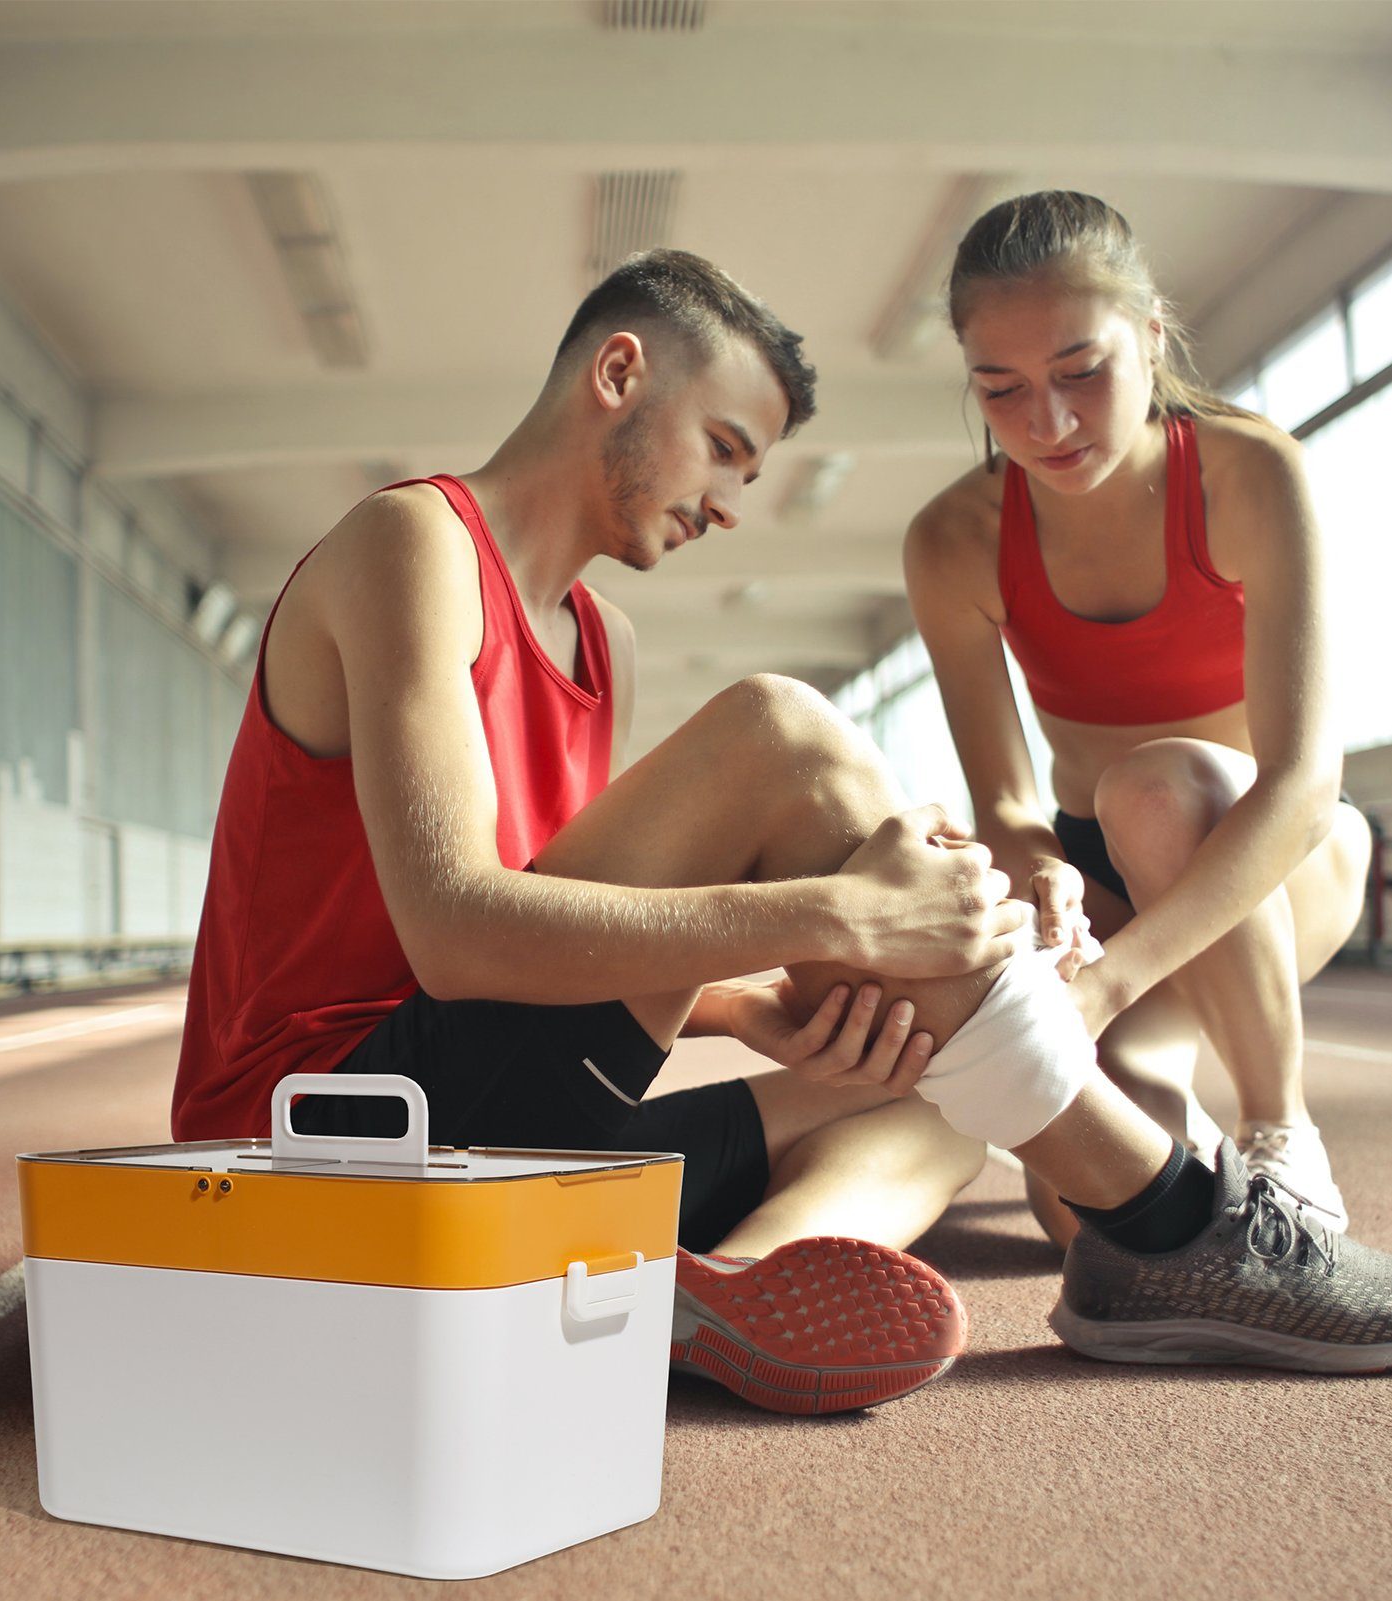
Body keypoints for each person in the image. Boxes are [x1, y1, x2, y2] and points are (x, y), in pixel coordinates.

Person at [174, 249, 1392, 1415]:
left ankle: (707, 1292)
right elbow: (452, 933)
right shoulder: (414, 545)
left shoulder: (605, 642)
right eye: (722, 449)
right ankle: (1180, 1220)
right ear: (618, 374)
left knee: (930, 1092)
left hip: (484, 1142)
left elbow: (556, 931)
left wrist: (753, 1010)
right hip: (320, 1141)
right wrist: (833, 916)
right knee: (777, 728)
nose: (727, 505)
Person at [905, 192, 1374, 1246]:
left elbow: (1299, 782)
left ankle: (1276, 1127)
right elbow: (1009, 799)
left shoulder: (1251, 474)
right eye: (1000, 389)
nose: (1047, 423)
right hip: (1104, 880)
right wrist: (1043, 875)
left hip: (1274, 855)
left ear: (1151, 335)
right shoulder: (953, 539)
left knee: (1156, 788)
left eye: (1080, 373)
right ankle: (1174, 1109)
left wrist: (1110, 983)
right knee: (1089, 1216)